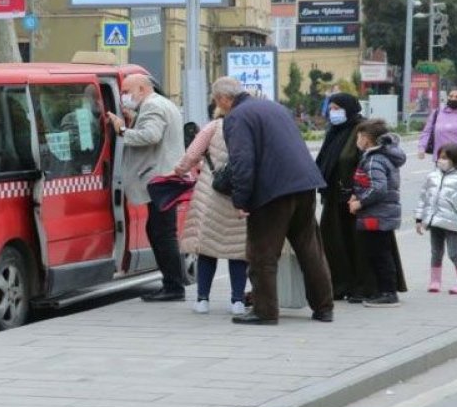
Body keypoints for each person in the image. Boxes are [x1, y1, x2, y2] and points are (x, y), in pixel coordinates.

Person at [212, 76, 334, 325]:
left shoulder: (236, 117)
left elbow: (242, 163)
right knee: (310, 249)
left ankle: (264, 311)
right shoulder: (275, 107)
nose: (218, 105)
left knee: (261, 254)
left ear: (224, 98)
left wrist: (241, 200)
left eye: (217, 100)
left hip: (272, 192)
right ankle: (324, 308)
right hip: (304, 183)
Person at [316, 93, 407, 302]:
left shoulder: (363, 130)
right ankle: (340, 284)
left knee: (363, 245)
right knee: (335, 243)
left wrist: (358, 197)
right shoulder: (334, 132)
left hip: (359, 199)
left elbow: (368, 165)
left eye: (337, 108)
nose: (333, 112)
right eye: (331, 108)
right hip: (335, 197)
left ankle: (366, 286)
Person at [107, 74, 187, 302]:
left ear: (141, 89)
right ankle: (171, 283)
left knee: (163, 233)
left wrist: (122, 130)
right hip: (164, 177)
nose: (124, 96)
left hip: (159, 178)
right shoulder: (161, 104)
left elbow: (151, 136)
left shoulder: (152, 106)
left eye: (126, 91)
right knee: (158, 230)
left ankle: (174, 286)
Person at [173, 107, 249, 316]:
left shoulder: (213, 127)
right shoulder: (249, 127)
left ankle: (203, 300)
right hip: (240, 195)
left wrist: (179, 170)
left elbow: (191, 154)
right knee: (237, 251)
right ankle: (238, 301)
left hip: (211, 194)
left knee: (207, 249)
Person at [347, 120, 406, 307]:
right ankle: (383, 291)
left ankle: (388, 293)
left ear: (366, 138)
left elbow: (379, 188)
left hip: (377, 214)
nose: (357, 140)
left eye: (359, 136)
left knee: (380, 254)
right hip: (380, 213)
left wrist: (360, 202)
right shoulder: (377, 156)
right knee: (380, 252)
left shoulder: (374, 159)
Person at [415, 143, 457, 294]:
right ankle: (435, 281)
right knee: (436, 252)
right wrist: (419, 219)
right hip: (434, 221)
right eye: (440, 157)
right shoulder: (432, 176)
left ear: (455, 159)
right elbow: (423, 198)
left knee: (454, 253)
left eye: (445, 158)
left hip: (453, 222)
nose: (441, 160)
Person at [417, 88, 457, 163]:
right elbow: (427, 132)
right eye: (451, 96)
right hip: (441, 159)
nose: (453, 99)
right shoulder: (437, 113)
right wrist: (421, 147)